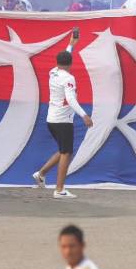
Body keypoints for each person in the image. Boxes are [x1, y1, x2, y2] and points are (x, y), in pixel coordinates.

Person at [33, 30, 93, 199]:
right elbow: (70, 99)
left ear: (57, 62)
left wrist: (71, 44)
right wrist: (84, 115)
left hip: (51, 119)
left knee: (63, 150)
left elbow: (65, 57)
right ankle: (59, 190)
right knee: (66, 153)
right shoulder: (68, 78)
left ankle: (41, 174)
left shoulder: (53, 72)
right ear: (70, 63)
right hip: (62, 121)